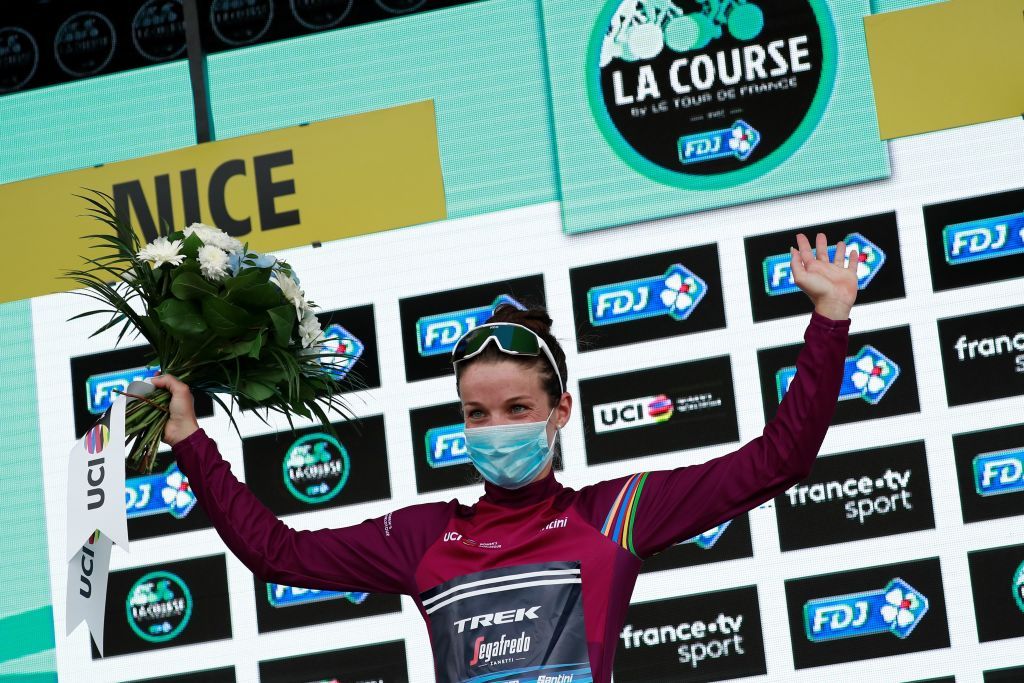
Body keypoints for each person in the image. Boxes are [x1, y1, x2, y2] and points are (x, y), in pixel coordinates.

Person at [151, 232, 858, 683]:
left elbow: (780, 459)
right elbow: (276, 552)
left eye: (517, 409)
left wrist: (829, 323)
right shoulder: (426, 538)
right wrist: (190, 438)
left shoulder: (614, 515)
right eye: (476, 413)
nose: (495, 428)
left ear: (560, 413)